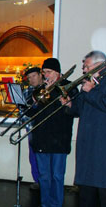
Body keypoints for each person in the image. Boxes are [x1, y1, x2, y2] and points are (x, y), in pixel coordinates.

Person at [27, 58, 76, 207]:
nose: (45, 75)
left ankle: (56, 204)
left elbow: (72, 109)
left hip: (60, 138)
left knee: (57, 175)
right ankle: (45, 204)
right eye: (44, 72)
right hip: (41, 138)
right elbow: (31, 112)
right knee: (44, 176)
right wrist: (33, 103)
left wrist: (53, 90)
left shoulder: (69, 86)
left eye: (48, 72)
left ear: (57, 72)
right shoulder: (41, 88)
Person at [61, 51, 106, 206]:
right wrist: (69, 105)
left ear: (99, 65)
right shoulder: (89, 83)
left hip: (102, 148)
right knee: (86, 197)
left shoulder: (94, 85)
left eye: (86, 67)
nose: (84, 70)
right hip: (87, 147)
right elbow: (79, 110)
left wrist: (91, 91)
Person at [22, 67, 44, 189]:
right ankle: (37, 180)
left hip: (45, 129)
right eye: (29, 78)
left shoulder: (47, 89)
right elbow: (23, 110)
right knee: (33, 156)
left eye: (34, 76)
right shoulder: (27, 92)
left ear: (41, 75)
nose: (31, 80)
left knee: (44, 157)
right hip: (32, 127)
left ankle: (45, 180)